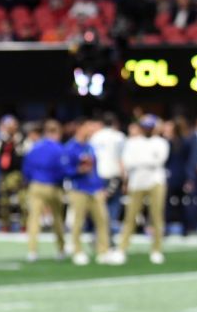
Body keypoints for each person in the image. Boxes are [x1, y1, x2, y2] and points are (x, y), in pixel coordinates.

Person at [113, 115, 169, 265]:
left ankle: (156, 250)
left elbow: (159, 160)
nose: (148, 129)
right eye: (146, 126)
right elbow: (128, 162)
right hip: (137, 182)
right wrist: (146, 161)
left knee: (156, 216)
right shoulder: (133, 142)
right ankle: (122, 250)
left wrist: (141, 161)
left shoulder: (161, 142)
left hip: (156, 181)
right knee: (130, 217)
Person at [65, 119, 114, 265]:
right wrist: (78, 170)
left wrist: (100, 186)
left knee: (102, 219)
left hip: (95, 189)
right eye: (88, 126)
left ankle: (103, 251)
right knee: (78, 222)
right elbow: (65, 169)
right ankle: (77, 251)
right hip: (78, 189)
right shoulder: (70, 147)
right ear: (80, 128)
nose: (91, 129)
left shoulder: (90, 146)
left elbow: (95, 170)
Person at [22, 119, 67, 262]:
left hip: (35, 185)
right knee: (57, 219)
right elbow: (62, 170)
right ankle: (60, 249)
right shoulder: (59, 149)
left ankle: (32, 251)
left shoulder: (35, 148)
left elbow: (26, 168)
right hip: (52, 186)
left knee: (34, 219)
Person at [90, 113, 126, 232]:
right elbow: (122, 158)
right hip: (113, 174)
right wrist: (125, 178)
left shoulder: (95, 136)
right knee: (113, 206)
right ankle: (108, 236)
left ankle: (99, 234)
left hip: (97, 175)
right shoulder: (119, 137)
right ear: (114, 123)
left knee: (99, 206)